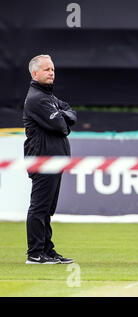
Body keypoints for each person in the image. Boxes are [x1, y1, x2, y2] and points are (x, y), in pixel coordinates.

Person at [23, 55, 77, 264]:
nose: (51, 72)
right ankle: (35, 253)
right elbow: (61, 127)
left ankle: (47, 249)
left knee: (47, 208)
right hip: (43, 160)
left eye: (52, 69)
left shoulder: (49, 97)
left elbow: (72, 113)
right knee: (39, 207)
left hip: (54, 160)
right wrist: (64, 117)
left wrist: (63, 115)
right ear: (35, 74)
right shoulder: (38, 98)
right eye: (47, 69)